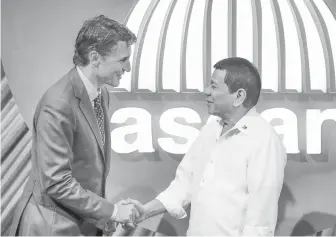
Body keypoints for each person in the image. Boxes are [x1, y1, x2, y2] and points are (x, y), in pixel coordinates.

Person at [9, 15, 143, 236]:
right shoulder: (58, 103)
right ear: (95, 58)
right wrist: (112, 211)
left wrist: (108, 215)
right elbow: (56, 182)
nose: (128, 67)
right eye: (122, 60)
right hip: (52, 228)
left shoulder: (101, 95)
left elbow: (89, 174)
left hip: (81, 225)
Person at [125, 57, 287, 236]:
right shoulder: (210, 130)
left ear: (239, 96)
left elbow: (260, 221)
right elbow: (182, 185)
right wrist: (145, 211)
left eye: (214, 86)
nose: (206, 91)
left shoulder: (264, 140)